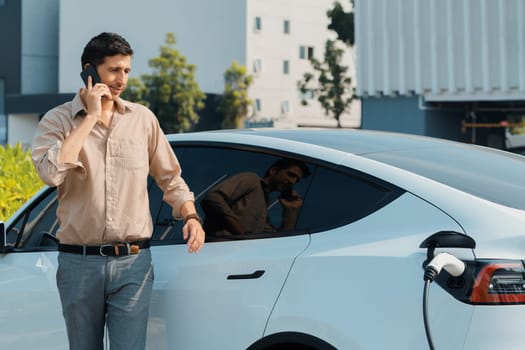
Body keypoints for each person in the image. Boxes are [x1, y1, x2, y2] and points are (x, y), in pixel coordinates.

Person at [31, 32, 205, 350]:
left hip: (133, 263)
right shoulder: (57, 121)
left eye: (126, 70)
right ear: (89, 71)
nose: (121, 79)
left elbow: (171, 179)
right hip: (78, 265)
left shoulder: (142, 120)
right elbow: (50, 173)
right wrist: (90, 119)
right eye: (114, 70)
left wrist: (190, 215)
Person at [201, 158, 310, 237]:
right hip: (215, 249)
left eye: (297, 180)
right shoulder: (251, 180)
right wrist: (240, 231)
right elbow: (213, 198)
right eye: (290, 175)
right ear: (274, 171)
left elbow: (277, 240)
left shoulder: (265, 205)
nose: (293, 181)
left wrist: (291, 211)